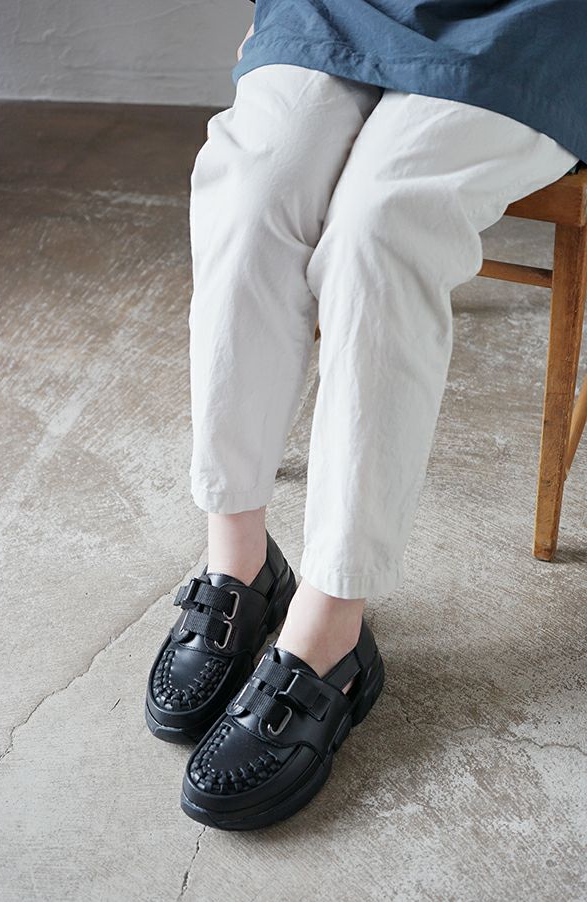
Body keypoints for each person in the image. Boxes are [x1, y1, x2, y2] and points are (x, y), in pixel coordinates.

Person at [145, 0, 584, 831]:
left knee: (383, 223)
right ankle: (239, 561)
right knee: (252, 189)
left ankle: (332, 625)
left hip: (534, 21)